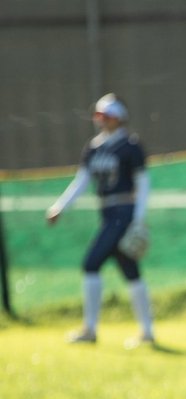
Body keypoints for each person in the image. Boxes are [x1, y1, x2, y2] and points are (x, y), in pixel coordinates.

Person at [46, 93, 155, 347]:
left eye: (106, 116)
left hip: (123, 213)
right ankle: (147, 332)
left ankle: (90, 329)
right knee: (131, 271)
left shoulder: (130, 146)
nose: (101, 121)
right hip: (107, 212)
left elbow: (143, 184)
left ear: (118, 118)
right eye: (98, 116)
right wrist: (60, 206)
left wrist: (138, 219)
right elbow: (82, 181)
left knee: (91, 264)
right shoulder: (93, 147)